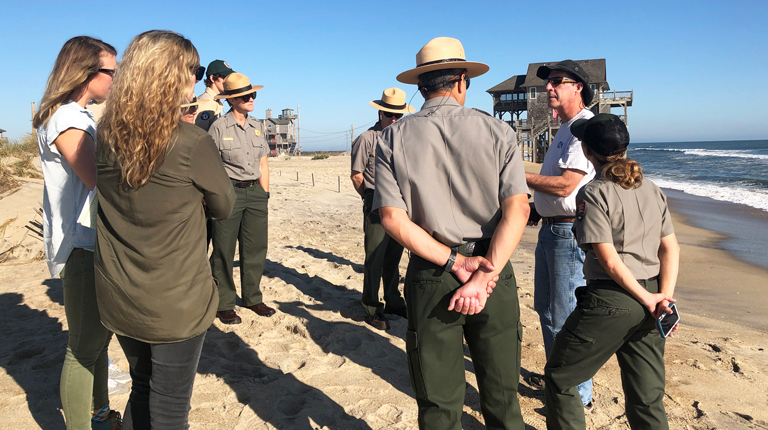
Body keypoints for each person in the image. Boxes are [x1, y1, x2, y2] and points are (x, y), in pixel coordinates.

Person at [375, 37, 531, 429]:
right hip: (492, 271)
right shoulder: (499, 132)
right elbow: (519, 209)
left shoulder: (392, 138)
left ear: (422, 86)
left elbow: (393, 219)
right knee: (502, 399)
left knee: (438, 404)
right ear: (462, 81)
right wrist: (484, 273)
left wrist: (454, 261)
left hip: (432, 269)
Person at [94, 30, 235, 429]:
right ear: (170, 76)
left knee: (142, 386)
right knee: (171, 406)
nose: (196, 79)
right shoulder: (190, 142)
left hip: (119, 293)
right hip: (174, 300)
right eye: (193, 70)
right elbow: (224, 206)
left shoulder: (103, 137)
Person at [544, 114, 680, 430]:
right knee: (646, 394)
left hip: (613, 297)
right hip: (653, 295)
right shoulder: (652, 189)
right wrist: (663, 298)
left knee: (561, 377)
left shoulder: (593, 192)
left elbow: (610, 262)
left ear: (588, 151)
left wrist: (647, 298)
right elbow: (670, 249)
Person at [33, 35, 123, 430]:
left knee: (97, 343)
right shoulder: (68, 118)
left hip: (87, 241)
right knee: (84, 348)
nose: (116, 81)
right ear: (88, 73)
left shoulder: (77, 115)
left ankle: (99, 415)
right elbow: (97, 179)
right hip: (81, 244)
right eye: (112, 73)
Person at [524, 59, 596, 410]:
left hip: (567, 235)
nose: (548, 88)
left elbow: (567, 184)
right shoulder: (566, 128)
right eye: (547, 83)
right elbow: (565, 187)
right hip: (553, 231)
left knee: (563, 314)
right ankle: (561, 379)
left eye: (556, 82)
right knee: (547, 309)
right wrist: (538, 207)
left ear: (577, 86)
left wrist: (515, 175)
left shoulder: (583, 128)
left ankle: (576, 396)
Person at [208, 72, 273, 324]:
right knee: (224, 249)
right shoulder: (218, 127)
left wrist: (264, 194)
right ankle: (224, 303)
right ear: (231, 101)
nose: (251, 98)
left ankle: (253, 298)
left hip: (255, 193)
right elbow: (211, 165)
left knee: (256, 247)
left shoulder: (258, 126)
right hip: (229, 192)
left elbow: (263, 163)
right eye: (245, 96)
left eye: (252, 94)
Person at [350, 87, 414, 330]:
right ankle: (372, 306)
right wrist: (369, 198)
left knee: (394, 257)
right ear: (380, 114)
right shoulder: (366, 139)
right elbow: (356, 175)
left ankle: (394, 301)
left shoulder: (405, 138)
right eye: (389, 114)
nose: (394, 119)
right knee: (375, 258)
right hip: (376, 202)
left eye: (398, 115)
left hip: (401, 204)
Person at [194, 59, 234, 131]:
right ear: (212, 78)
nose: (228, 81)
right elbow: (199, 133)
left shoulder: (215, 101)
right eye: (225, 78)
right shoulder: (207, 102)